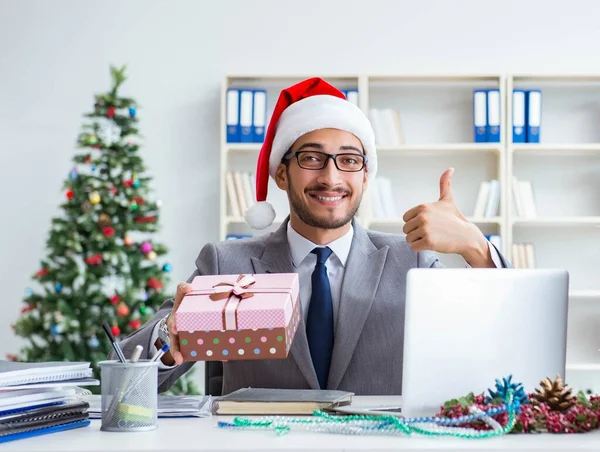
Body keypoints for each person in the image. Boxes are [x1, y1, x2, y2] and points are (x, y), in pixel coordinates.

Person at [113, 77, 511, 395]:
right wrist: (170, 335)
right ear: (281, 173)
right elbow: (127, 385)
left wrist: (473, 245)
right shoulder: (226, 264)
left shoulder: (412, 261)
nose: (331, 177)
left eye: (349, 160)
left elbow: (500, 340)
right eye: (311, 157)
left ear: (365, 177)